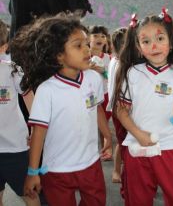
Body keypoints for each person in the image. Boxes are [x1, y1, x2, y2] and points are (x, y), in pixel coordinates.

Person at [10, 14, 112, 205]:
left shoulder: (93, 79)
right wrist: (33, 171)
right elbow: (38, 133)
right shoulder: (47, 90)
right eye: (78, 45)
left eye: (86, 44)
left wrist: (107, 134)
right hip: (57, 170)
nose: (87, 50)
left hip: (91, 163)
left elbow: (96, 109)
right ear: (59, 55)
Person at [112, 9, 173, 205]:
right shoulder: (132, 73)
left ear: (171, 42)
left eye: (160, 38)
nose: (154, 45)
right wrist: (139, 134)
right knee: (138, 200)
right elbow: (121, 111)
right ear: (139, 47)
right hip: (136, 148)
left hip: (168, 147)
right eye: (146, 41)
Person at [0, 28, 39, 206]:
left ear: (4, 47)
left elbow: (29, 97)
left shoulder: (12, 69)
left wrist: (35, 128)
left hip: (15, 147)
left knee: (28, 192)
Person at [88, 25, 113, 161]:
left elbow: (112, 78)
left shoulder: (109, 58)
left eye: (103, 36)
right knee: (92, 124)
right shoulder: (83, 57)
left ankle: (106, 149)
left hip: (105, 94)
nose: (99, 38)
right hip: (89, 96)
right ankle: (93, 151)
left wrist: (103, 72)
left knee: (104, 123)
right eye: (96, 35)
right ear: (88, 38)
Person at [107, 27, 127, 184]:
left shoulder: (116, 60)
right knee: (123, 143)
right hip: (120, 109)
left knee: (126, 142)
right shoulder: (120, 63)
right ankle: (116, 170)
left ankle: (121, 170)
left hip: (121, 108)